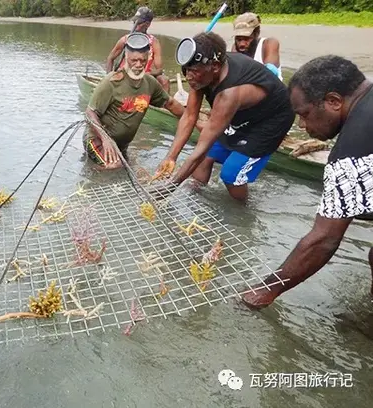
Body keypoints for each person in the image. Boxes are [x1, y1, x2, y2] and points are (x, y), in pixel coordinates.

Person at [242, 55, 373, 309]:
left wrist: (266, 290)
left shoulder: (350, 153)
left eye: (305, 115)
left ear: (333, 101)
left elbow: (323, 240)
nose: (302, 125)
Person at [155, 32, 295, 202]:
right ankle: (196, 195)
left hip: (272, 119)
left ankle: (241, 214)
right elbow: (189, 116)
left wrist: (171, 185)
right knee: (205, 158)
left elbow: (203, 144)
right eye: (186, 70)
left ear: (214, 67)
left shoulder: (229, 94)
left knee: (231, 174)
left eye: (193, 71)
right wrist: (170, 157)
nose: (188, 77)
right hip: (244, 114)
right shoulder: (201, 73)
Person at [85, 32, 201, 170]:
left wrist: (197, 122)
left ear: (148, 58)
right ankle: (90, 173)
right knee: (115, 167)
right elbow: (90, 113)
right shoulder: (111, 82)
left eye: (142, 60)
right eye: (134, 60)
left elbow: (170, 104)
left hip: (121, 145)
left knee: (129, 169)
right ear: (126, 58)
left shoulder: (150, 83)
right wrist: (105, 139)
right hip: (98, 140)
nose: (139, 65)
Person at [105, 6, 170, 93]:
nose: (135, 25)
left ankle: (164, 105)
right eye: (134, 22)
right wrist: (108, 77)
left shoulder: (154, 42)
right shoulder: (125, 39)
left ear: (147, 24)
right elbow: (110, 58)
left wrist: (145, 74)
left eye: (138, 23)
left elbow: (159, 70)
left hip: (145, 77)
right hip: (126, 76)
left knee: (164, 80)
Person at [231, 12, 283, 81]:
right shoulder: (235, 48)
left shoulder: (269, 44)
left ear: (257, 33)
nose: (242, 44)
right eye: (238, 39)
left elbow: (269, 73)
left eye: (247, 39)